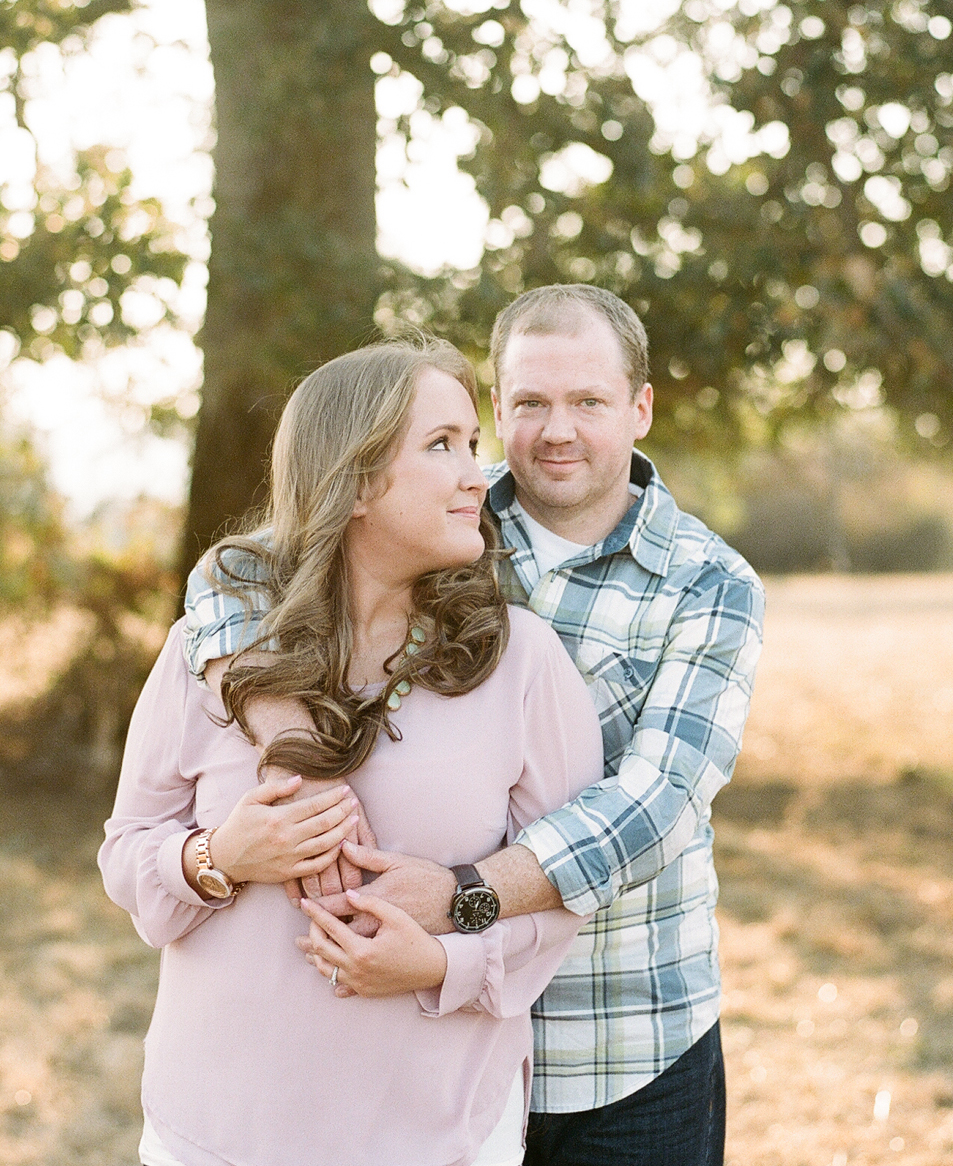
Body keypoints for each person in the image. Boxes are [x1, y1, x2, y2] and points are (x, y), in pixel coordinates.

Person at [185, 285, 766, 1166]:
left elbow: (656, 805)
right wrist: (301, 763)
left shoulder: (710, 584)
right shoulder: (442, 511)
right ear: (500, 407)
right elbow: (232, 577)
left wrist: (463, 895)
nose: (557, 429)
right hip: (438, 1042)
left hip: (618, 1042)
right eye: (530, 402)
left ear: (641, 408)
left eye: (589, 402)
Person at [100, 336, 605, 1166]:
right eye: (441, 446)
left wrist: (443, 960)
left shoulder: (525, 663)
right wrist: (220, 856)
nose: (476, 476)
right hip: (217, 1134)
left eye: (470, 446)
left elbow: (562, 896)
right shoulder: (210, 651)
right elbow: (127, 852)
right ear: (356, 480)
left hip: (438, 1136)